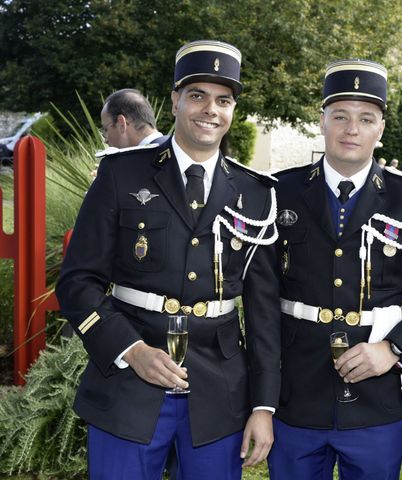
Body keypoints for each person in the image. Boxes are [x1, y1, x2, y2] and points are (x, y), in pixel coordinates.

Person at [56, 40, 281, 479]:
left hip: (219, 391)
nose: (210, 110)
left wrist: (263, 404)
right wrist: (130, 349)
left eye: (223, 100)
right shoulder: (121, 174)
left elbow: (264, 310)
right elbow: (77, 281)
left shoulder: (257, 193)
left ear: (233, 109)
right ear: (175, 100)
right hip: (127, 386)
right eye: (197, 95)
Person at [268, 59, 402, 479]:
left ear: (381, 129)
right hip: (295, 395)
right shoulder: (280, 192)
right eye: (340, 116)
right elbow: (260, 297)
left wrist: (393, 350)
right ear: (321, 122)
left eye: (366, 118)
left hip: (378, 399)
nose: (351, 129)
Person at [100, 88, 169, 148]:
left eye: (106, 129)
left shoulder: (133, 161)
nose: (106, 140)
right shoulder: (176, 147)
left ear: (121, 123)